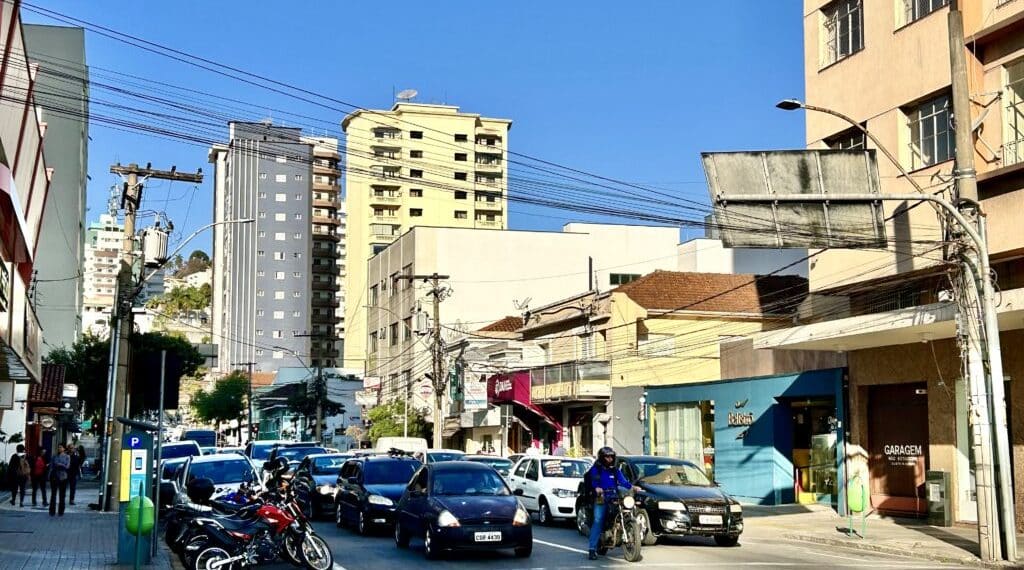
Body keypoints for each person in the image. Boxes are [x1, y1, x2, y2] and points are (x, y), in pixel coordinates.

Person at [585, 446, 637, 560]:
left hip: (614, 497)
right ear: (602, 457)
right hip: (601, 498)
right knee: (598, 520)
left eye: (611, 456)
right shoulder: (596, 469)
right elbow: (594, 481)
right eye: (607, 456)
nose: (609, 459)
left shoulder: (615, 470)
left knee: (625, 512)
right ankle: (592, 549)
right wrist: (597, 488)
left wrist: (633, 487)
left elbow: (623, 481)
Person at [48, 444, 70, 516]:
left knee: (62, 495)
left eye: (61, 447)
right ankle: (52, 511)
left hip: (63, 476)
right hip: (55, 476)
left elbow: (67, 466)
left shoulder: (67, 456)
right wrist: (49, 475)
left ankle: (61, 511)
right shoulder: (54, 456)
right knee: (53, 494)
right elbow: (51, 466)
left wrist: (61, 464)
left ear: (64, 449)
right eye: (58, 447)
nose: (59, 448)